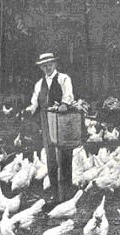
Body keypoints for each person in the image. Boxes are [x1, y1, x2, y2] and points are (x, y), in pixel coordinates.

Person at [25, 52, 75, 203]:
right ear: (41, 67)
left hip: (61, 122)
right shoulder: (39, 84)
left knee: (64, 158)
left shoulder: (63, 79)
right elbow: (34, 104)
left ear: (55, 64)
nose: (47, 67)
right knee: (51, 159)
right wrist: (27, 111)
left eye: (49, 64)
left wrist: (65, 105)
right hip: (46, 124)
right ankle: (54, 194)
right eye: (43, 65)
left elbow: (68, 96)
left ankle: (67, 194)